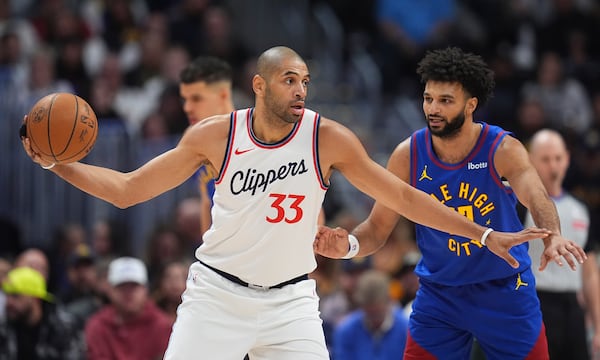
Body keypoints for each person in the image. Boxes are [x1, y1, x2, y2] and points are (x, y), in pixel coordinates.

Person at [22, 46, 560, 359]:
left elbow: (404, 197)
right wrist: (57, 163)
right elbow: (126, 191)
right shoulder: (214, 136)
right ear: (259, 85)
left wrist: (485, 234)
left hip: (291, 304)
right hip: (217, 297)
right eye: (288, 79)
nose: (300, 89)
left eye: (305, 80)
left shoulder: (329, 138)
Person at [313, 47, 587, 359]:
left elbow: (536, 194)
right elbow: (377, 228)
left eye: (445, 101)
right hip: (440, 294)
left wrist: (552, 233)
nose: (433, 108)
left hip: (504, 289)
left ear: (471, 105)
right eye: (429, 98)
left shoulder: (502, 149)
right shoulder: (408, 154)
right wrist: (348, 246)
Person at [525, 129, 600, 359]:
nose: (553, 166)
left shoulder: (581, 208)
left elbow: (589, 271)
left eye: (558, 158)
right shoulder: (520, 206)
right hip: (535, 302)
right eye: (545, 159)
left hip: (572, 307)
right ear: (530, 160)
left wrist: (597, 324)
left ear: (567, 159)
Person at [179, 56, 235, 237]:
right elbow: (206, 200)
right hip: (221, 249)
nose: (187, 108)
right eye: (185, 99)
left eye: (196, 98)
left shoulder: (253, 135)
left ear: (222, 96)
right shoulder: (194, 137)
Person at [84, 256, 172, 360]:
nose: (128, 293)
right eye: (122, 287)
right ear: (110, 290)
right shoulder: (98, 326)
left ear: (145, 289)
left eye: (134, 286)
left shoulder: (163, 326)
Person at [0, 266, 85, 359]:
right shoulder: (4, 326)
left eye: (15, 295)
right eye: (7, 295)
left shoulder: (64, 327)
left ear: (35, 298)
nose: (8, 302)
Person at [333, 269, 409, 360]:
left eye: (378, 313)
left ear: (389, 300)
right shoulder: (346, 330)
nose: (374, 318)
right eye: (370, 313)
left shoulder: (406, 329)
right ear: (361, 306)